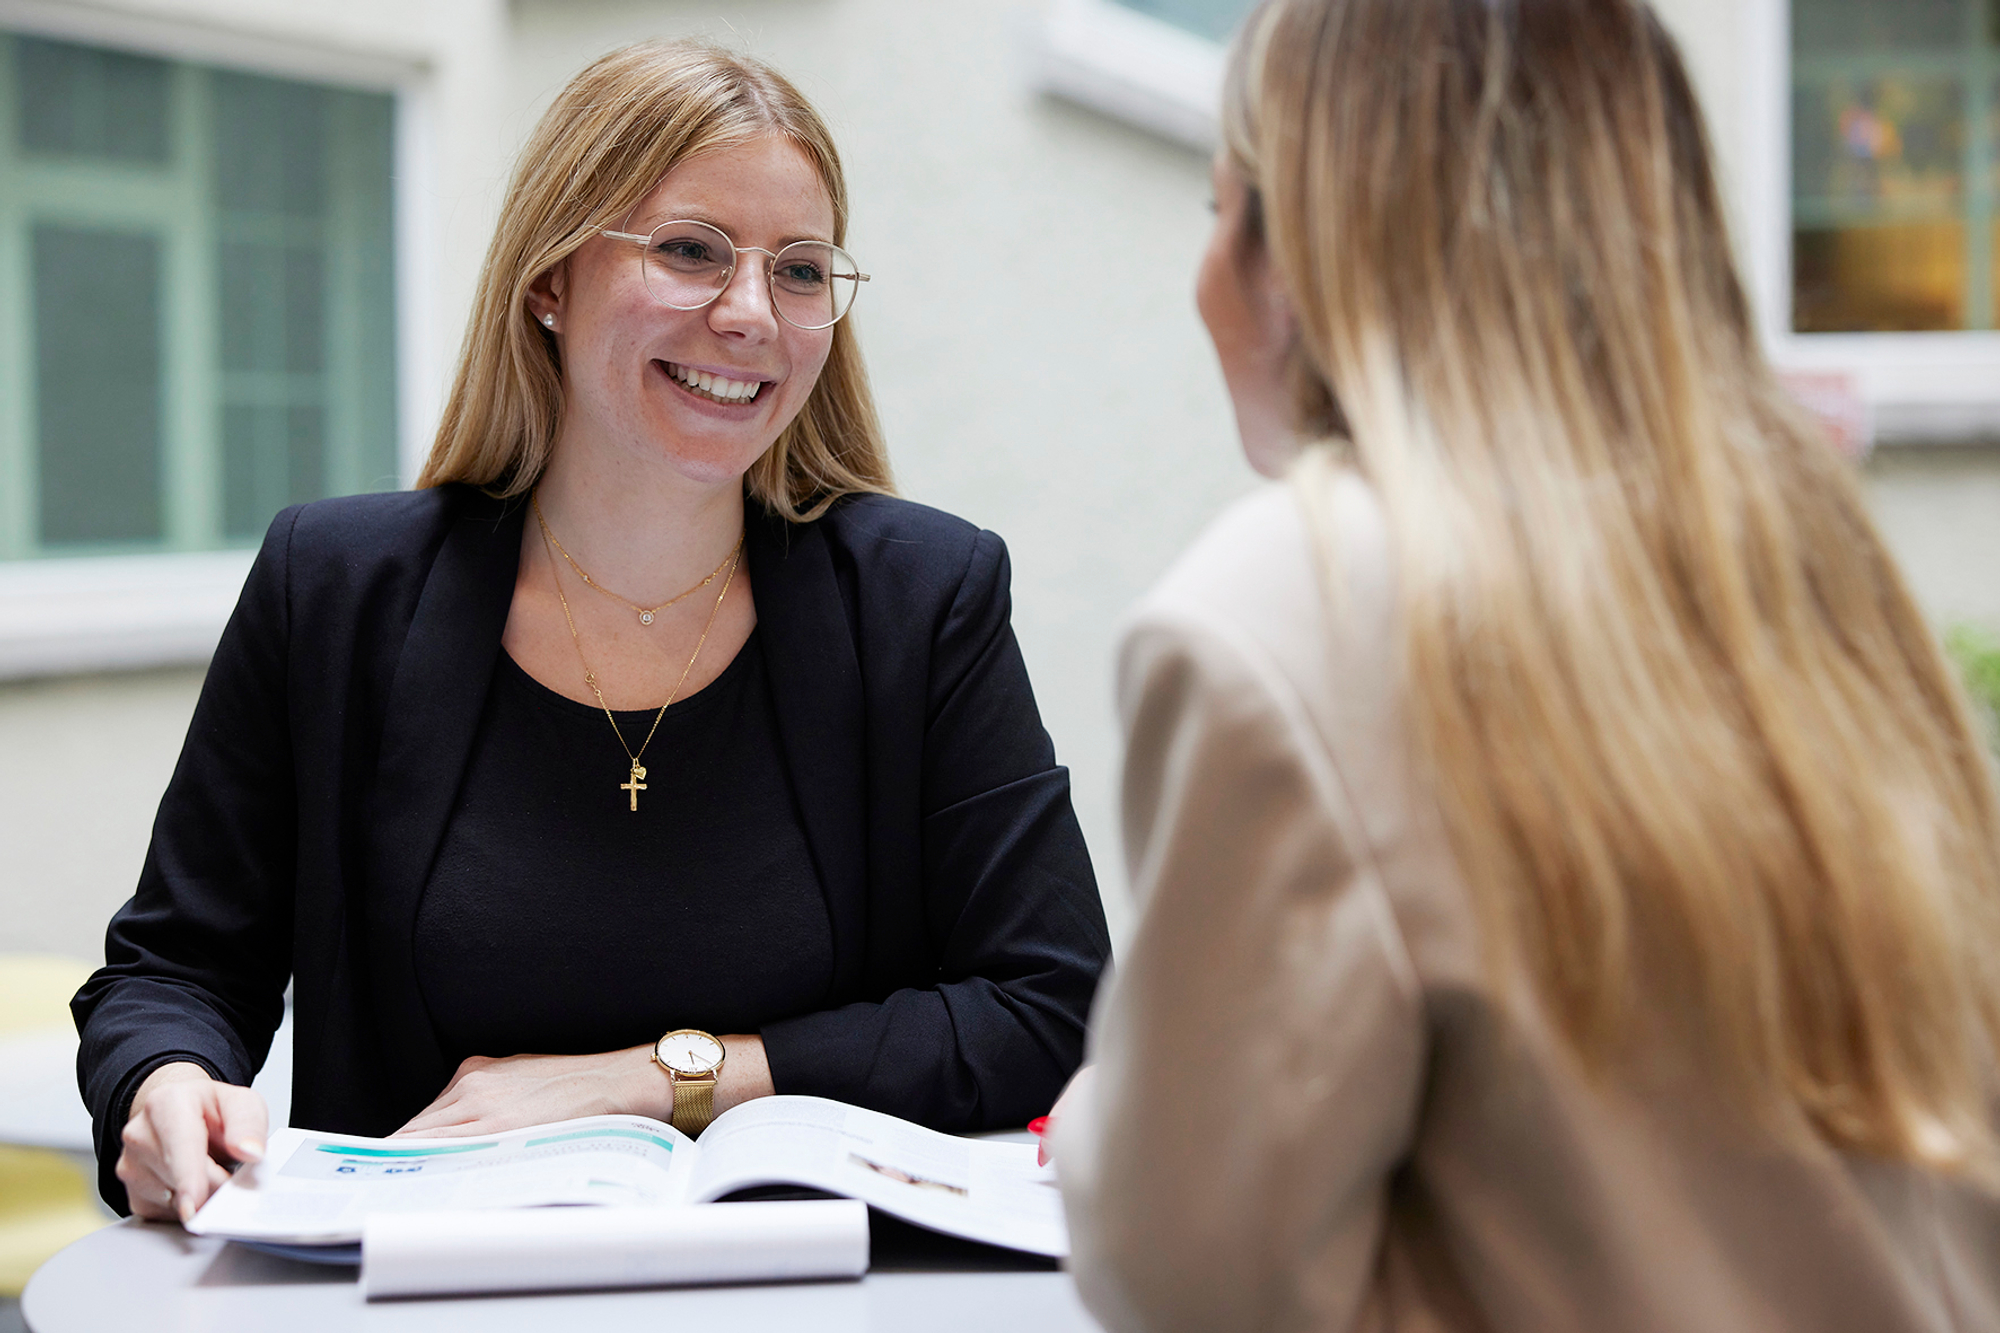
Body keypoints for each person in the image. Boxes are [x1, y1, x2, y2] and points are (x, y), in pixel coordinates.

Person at [1052, 0, 2000, 1328]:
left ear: (1304, 251)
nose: (1205, 275)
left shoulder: (1299, 597)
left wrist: (1114, 1100)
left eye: (1224, 210)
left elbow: (1197, 1274)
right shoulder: (1816, 576)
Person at [74, 39, 1108, 1224]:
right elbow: (174, 969)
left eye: (802, 270)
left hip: (812, 1293)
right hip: (425, 1295)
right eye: (688, 251)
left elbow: (1052, 1005)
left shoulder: (922, 596)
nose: (749, 315)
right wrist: (166, 1083)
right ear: (549, 280)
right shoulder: (336, 587)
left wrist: (653, 1080)